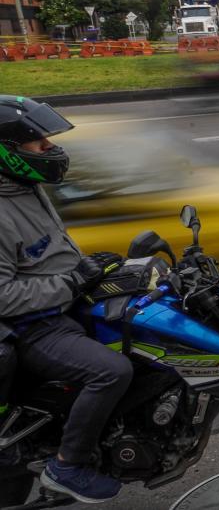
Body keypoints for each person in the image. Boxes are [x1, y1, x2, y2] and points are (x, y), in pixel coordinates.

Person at [0, 95, 131, 504]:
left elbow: (45, 253)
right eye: (39, 142)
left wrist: (88, 268)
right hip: (34, 325)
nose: (50, 149)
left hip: (64, 303)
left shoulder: (24, 186)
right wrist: (72, 282)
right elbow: (3, 296)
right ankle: (66, 466)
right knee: (112, 371)